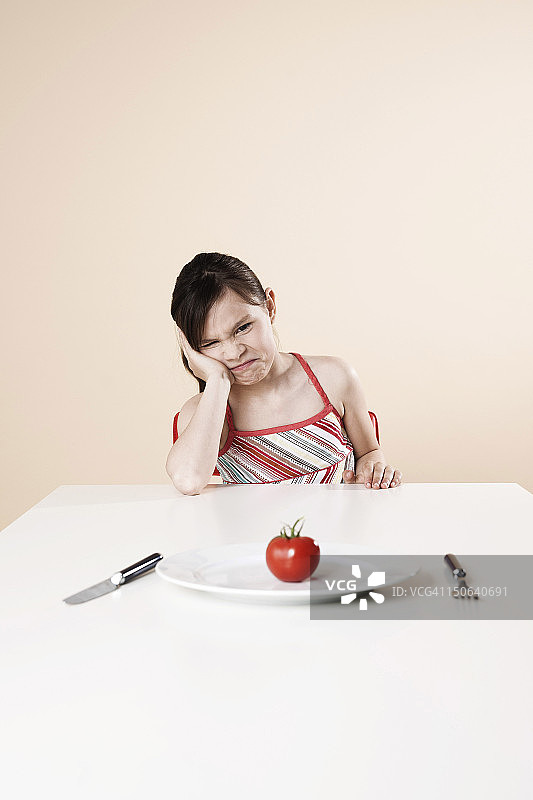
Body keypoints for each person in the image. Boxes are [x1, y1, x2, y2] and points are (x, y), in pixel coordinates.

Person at [167, 252, 402, 496]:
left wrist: (374, 469)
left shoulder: (334, 377)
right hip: (255, 535)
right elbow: (188, 479)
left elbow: (369, 453)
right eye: (210, 343)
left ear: (270, 306)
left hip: (335, 533)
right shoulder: (206, 410)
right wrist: (217, 380)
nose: (234, 353)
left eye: (243, 328)